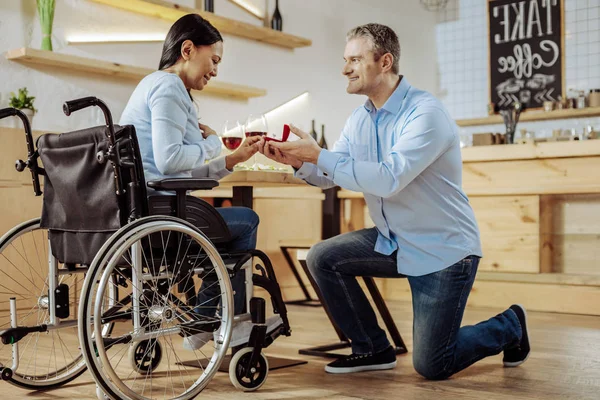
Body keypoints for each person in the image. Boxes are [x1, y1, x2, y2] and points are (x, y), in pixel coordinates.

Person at [259, 23, 530, 378]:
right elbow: (332, 173)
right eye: (345, 60)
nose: (345, 69)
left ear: (385, 62)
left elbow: (388, 179)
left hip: (443, 251)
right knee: (323, 257)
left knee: (433, 364)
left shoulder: (425, 114)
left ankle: (510, 325)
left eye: (355, 59)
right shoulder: (360, 119)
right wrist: (301, 161)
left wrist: (318, 154)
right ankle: (372, 347)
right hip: (393, 240)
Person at [120, 14, 281, 350]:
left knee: (225, 225)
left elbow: (173, 170)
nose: (216, 70)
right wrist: (212, 143)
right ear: (188, 49)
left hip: (148, 205)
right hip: (162, 212)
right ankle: (222, 320)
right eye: (214, 60)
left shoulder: (152, 84)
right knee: (246, 220)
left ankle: (205, 316)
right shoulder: (168, 87)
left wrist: (231, 160)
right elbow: (170, 161)